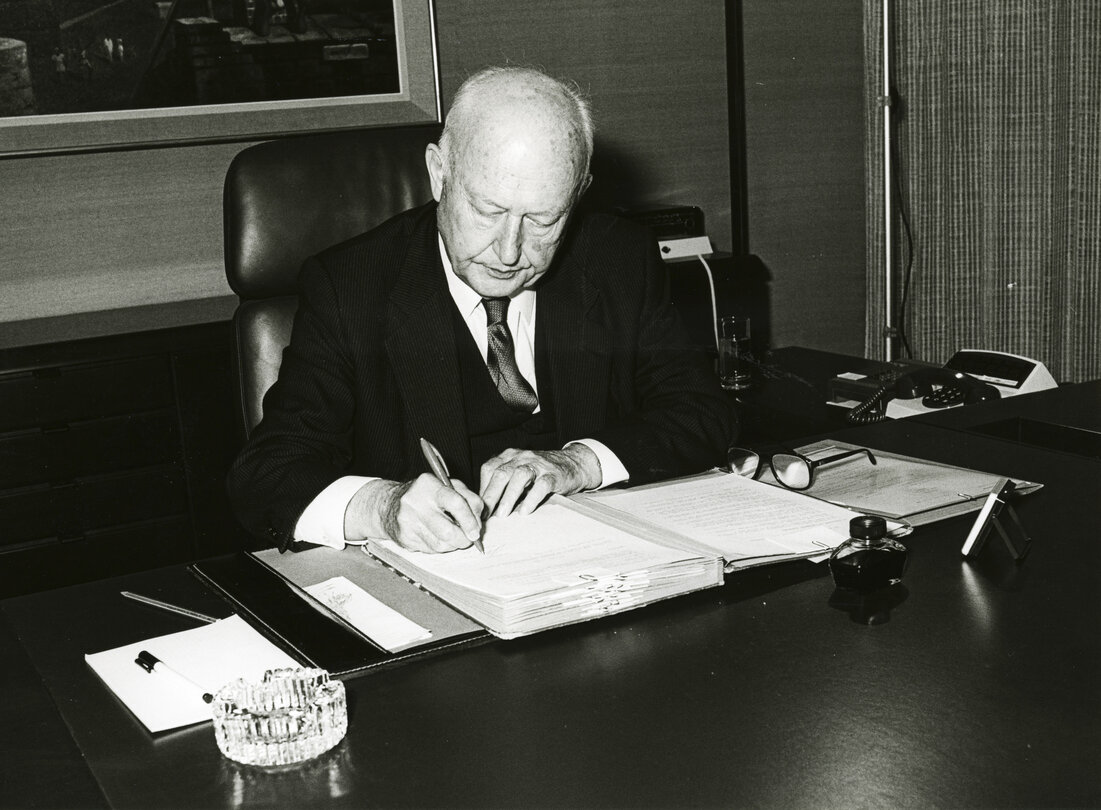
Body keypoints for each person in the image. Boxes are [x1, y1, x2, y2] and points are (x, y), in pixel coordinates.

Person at [227, 66, 734, 555]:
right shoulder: (352, 287)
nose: (509, 251)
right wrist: (383, 507)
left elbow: (703, 412)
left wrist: (580, 462)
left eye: (543, 219)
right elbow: (267, 475)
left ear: (578, 196)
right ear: (438, 174)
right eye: (487, 212)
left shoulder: (617, 257)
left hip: (594, 572)